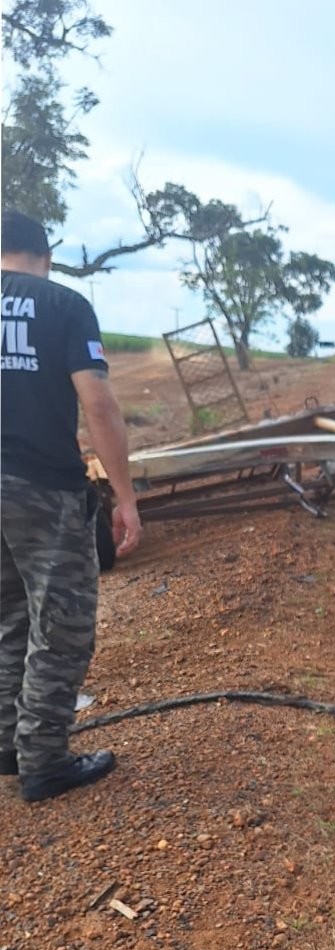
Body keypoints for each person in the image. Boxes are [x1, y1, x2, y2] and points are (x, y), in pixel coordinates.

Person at [1, 209, 142, 802]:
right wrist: (126, 497)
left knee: (10, 617)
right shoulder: (63, 305)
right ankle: (44, 762)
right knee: (63, 623)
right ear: (46, 255)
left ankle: (10, 742)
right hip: (41, 488)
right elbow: (100, 407)